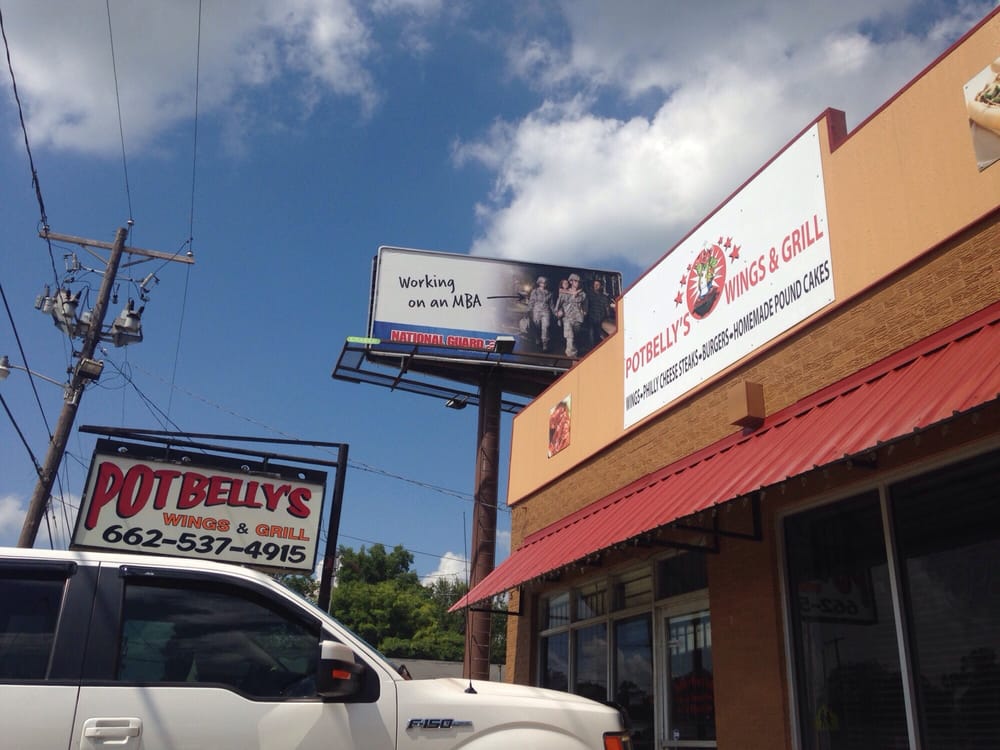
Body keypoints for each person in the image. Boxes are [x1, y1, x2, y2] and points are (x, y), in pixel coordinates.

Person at [554, 273, 587, 357]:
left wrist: (584, 312)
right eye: (575, 281)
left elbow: (585, 305)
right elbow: (558, 305)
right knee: (570, 338)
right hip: (567, 318)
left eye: (579, 282)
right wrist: (558, 314)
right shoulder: (564, 293)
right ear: (571, 282)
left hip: (578, 319)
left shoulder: (582, 294)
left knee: (575, 338)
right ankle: (572, 357)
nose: (577, 283)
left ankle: (573, 352)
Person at [527, 276, 554, 351]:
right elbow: (531, 301)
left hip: (546, 311)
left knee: (546, 327)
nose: (544, 284)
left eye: (545, 283)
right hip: (536, 311)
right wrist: (528, 310)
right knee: (537, 326)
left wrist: (555, 312)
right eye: (542, 282)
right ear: (539, 283)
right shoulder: (535, 291)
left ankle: (545, 344)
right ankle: (537, 337)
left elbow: (551, 304)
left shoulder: (550, 293)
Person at [586, 278, 614, 349]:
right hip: (591, 319)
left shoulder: (604, 297)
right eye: (595, 284)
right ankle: (591, 350)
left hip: (601, 319)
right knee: (591, 333)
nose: (596, 286)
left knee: (603, 334)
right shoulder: (588, 295)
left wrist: (607, 317)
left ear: (601, 286)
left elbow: (607, 309)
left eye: (598, 285)